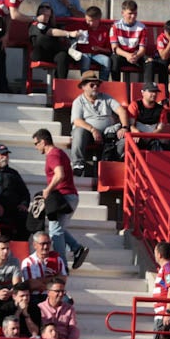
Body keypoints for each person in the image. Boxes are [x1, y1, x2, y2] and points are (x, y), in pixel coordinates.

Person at [31, 128, 89, 267]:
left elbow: (59, 174)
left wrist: (48, 190)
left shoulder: (53, 155)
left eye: (36, 143)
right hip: (67, 196)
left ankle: (61, 266)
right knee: (58, 228)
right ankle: (76, 248)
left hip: (63, 197)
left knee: (55, 232)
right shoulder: (59, 153)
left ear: (43, 142)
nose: (36, 147)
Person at [70, 72, 130, 173]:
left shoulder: (106, 97)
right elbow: (77, 121)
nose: (95, 87)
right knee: (78, 132)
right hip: (88, 133)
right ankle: (78, 165)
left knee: (125, 139)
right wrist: (93, 130)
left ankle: (115, 165)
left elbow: (121, 111)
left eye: (97, 85)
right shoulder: (78, 101)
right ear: (83, 86)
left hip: (108, 132)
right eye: (92, 85)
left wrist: (124, 127)